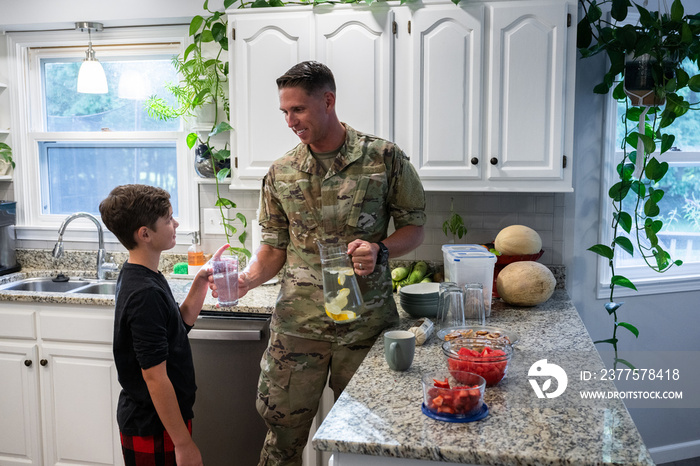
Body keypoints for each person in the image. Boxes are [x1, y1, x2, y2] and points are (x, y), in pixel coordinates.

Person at [228, 61, 426, 465]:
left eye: (297, 109)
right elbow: (272, 249)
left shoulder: (384, 158)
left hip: (365, 326)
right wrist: (248, 279)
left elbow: (415, 228)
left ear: (328, 101)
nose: (290, 121)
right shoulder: (281, 172)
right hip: (298, 329)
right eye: (284, 112)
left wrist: (381, 250)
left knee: (368, 442)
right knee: (281, 441)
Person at [99, 184, 227, 466]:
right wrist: (183, 443)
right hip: (155, 426)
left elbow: (178, 328)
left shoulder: (145, 274)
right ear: (145, 234)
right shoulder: (144, 293)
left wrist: (201, 281)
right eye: (168, 218)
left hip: (163, 420)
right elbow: (154, 378)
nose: (176, 223)